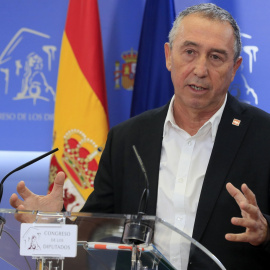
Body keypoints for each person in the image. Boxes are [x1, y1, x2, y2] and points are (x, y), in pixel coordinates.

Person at [10, 3, 270, 269]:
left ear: (235, 67)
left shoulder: (263, 136)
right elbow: (91, 239)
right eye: (190, 52)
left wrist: (266, 233)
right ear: (169, 56)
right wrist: (51, 225)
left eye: (216, 57)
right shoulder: (127, 139)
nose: (200, 69)